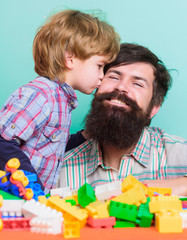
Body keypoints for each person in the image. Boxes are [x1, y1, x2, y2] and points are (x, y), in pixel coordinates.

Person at [0, 9, 120, 193]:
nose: (102, 76)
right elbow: (3, 141)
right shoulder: (41, 95)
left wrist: (86, 136)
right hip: (15, 196)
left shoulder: (62, 102)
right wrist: (31, 186)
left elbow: (49, 148)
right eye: (100, 66)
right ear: (70, 59)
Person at [58, 43, 187, 196]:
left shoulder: (178, 153)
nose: (121, 87)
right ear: (97, 86)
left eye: (138, 83)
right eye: (113, 77)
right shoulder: (61, 171)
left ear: (154, 108)